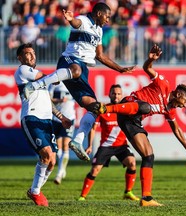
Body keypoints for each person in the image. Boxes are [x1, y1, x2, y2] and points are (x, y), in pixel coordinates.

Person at [94, 44, 186, 207]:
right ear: (179, 94)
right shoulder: (164, 84)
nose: (184, 106)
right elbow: (147, 68)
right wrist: (150, 59)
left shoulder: (170, 110)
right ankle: (105, 108)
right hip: (128, 105)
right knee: (145, 107)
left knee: (149, 155)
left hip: (132, 121)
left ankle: (146, 198)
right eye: (184, 102)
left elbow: (177, 130)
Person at [22, 2, 136, 162]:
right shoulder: (83, 20)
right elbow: (77, 22)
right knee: (76, 70)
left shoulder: (99, 30)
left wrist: (120, 69)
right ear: (98, 13)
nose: (108, 20)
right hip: (69, 61)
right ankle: (36, 85)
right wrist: (70, 19)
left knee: (95, 107)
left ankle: (77, 141)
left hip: (82, 71)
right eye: (107, 16)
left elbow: (101, 56)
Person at [14, 43, 72, 206]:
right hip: (32, 118)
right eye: (27, 53)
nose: (32, 56)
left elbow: (47, 102)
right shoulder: (22, 70)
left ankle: (35, 191)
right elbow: (44, 77)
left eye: (33, 53)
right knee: (46, 154)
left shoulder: (41, 84)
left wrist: (61, 117)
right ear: (20, 58)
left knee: (52, 161)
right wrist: (62, 74)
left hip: (47, 121)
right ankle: (35, 193)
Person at [78, 84, 139, 201]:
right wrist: (89, 145)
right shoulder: (103, 109)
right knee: (95, 170)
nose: (116, 96)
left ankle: (128, 192)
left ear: (122, 95)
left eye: (119, 94)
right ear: (109, 94)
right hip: (106, 146)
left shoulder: (126, 109)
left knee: (132, 163)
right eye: (114, 93)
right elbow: (93, 128)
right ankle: (82, 196)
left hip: (122, 145)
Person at [49, 82, 76, 185]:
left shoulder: (73, 84)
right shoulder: (54, 84)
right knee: (58, 146)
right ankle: (62, 168)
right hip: (57, 118)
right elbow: (49, 99)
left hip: (70, 118)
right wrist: (59, 100)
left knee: (66, 145)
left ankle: (60, 173)